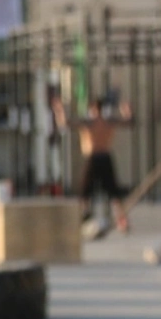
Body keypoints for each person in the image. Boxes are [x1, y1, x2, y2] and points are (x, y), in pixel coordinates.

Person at [62, 98, 134, 232]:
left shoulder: (89, 122)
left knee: (85, 191)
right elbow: (128, 121)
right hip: (106, 157)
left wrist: (59, 111)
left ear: (94, 109)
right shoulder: (108, 122)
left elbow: (67, 123)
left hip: (93, 158)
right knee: (113, 192)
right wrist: (127, 110)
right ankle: (122, 221)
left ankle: (83, 218)